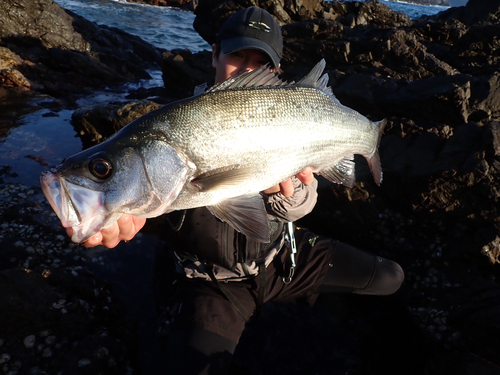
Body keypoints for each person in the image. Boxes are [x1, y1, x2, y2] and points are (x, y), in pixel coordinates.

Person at [72, 7, 404, 374]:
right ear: (214, 54)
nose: (246, 67)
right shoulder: (175, 123)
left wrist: (289, 194)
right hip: (215, 283)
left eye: (259, 60)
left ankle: (302, 295)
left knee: (391, 278)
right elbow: (152, 203)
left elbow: (304, 202)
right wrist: (123, 213)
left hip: (282, 259)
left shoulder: (286, 114)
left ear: (276, 70)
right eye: (237, 55)